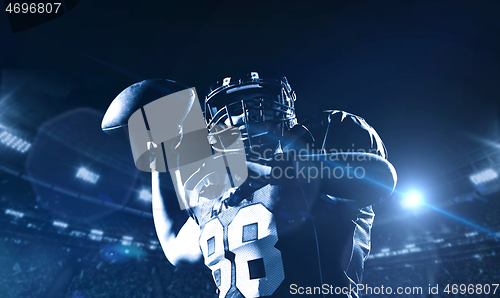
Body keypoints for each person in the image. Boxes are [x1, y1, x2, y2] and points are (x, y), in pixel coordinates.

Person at [102, 72, 397, 297]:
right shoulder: (215, 191)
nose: (243, 117)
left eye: (256, 103)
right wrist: (160, 160)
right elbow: (175, 246)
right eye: (231, 112)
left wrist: (276, 171)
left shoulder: (319, 138)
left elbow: (380, 178)